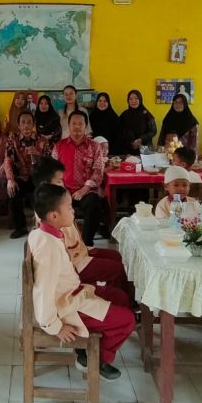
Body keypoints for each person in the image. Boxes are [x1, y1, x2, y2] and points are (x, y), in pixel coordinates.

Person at [29, 184, 135, 381]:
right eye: (69, 207)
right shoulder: (48, 247)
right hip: (65, 307)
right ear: (54, 215)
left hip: (72, 293)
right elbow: (42, 291)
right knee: (127, 320)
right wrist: (55, 327)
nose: (73, 210)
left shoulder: (47, 233)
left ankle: (88, 346)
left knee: (120, 297)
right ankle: (95, 360)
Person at [33, 158, 133, 303]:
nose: (63, 185)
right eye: (59, 181)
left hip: (78, 251)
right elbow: (66, 253)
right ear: (45, 185)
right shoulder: (52, 215)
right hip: (74, 263)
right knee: (116, 269)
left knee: (115, 256)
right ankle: (120, 300)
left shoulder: (51, 204)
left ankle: (116, 296)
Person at [51, 111, 106, 244]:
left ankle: (87, 243)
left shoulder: (95, 146)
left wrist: (83, 190)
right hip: (63, 190)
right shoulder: (59, 146)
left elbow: (98, 170)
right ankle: (61, 241)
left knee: (94, 204)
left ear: (85, 126)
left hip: (86, 191)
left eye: (80, 123)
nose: (77, 126)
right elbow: (53, 171)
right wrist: (62, 189)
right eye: (74, 123)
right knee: (52, 202)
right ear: (68, 125)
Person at [4, 110, 49, 239]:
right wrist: (10, 179)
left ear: (33, 124)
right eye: (23, 122)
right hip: (21, 177)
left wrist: (38, 154)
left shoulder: (42, 140)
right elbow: (7, 160)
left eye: (29, 122)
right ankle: (21, 227)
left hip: (39, 177)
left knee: (45, 192)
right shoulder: (12, 140)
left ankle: (43, 226)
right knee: (13, 192)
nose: (26, 126)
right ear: (19, 125)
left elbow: (50, 162)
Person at [119, 89, 156, 154]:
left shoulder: (146, 114)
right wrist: (131, 141)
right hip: (128, 148)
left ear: (140, 100)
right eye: (131, 99)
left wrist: (141, 139)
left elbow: (153, 131)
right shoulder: (124, 114)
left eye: (136, 98)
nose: (133, 101)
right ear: (128, 101)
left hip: (145, 148)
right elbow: (120, 130)